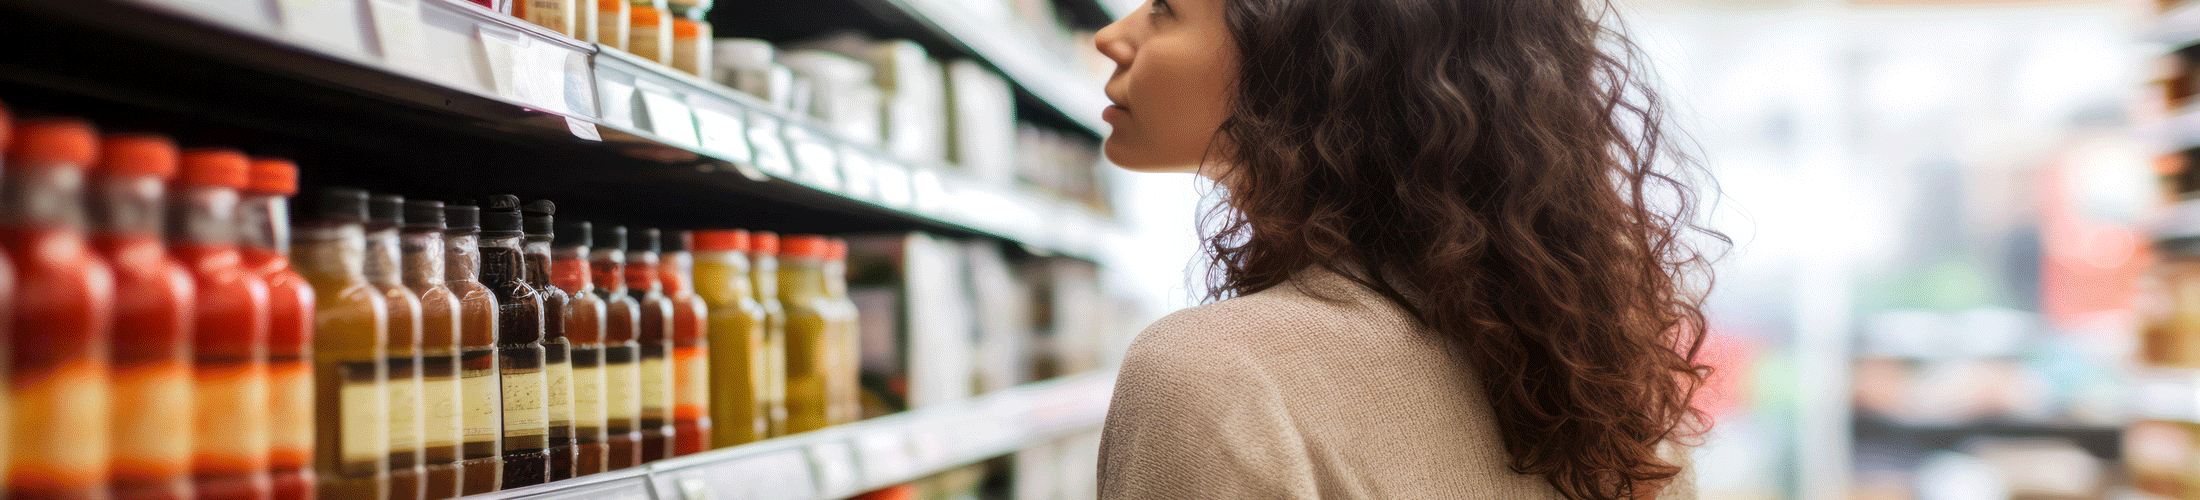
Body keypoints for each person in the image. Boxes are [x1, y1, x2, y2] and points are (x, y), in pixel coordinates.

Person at [1091, 0, 1718, 498]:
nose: (1111, 36)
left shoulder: (1211, 374)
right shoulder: (1616, 394)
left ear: (1306, 60)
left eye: (1163, 7)